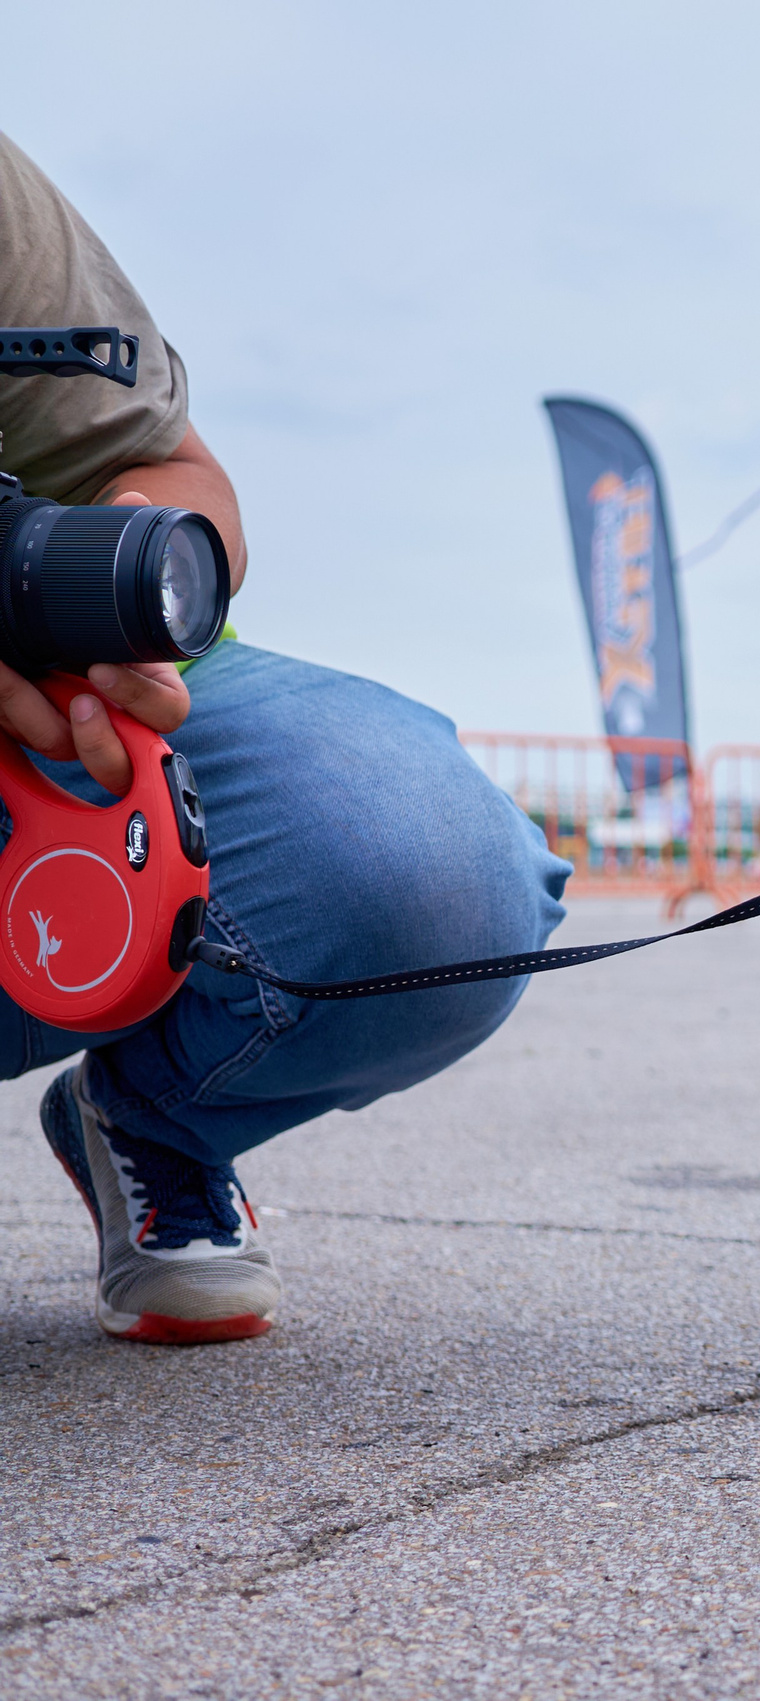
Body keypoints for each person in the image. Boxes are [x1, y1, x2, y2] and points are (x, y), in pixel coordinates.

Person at [1, 131, 571, 1343]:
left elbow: (161, 469)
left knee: (427, 868)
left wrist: (116, 610)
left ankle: (153, 1118)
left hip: (42, 710)